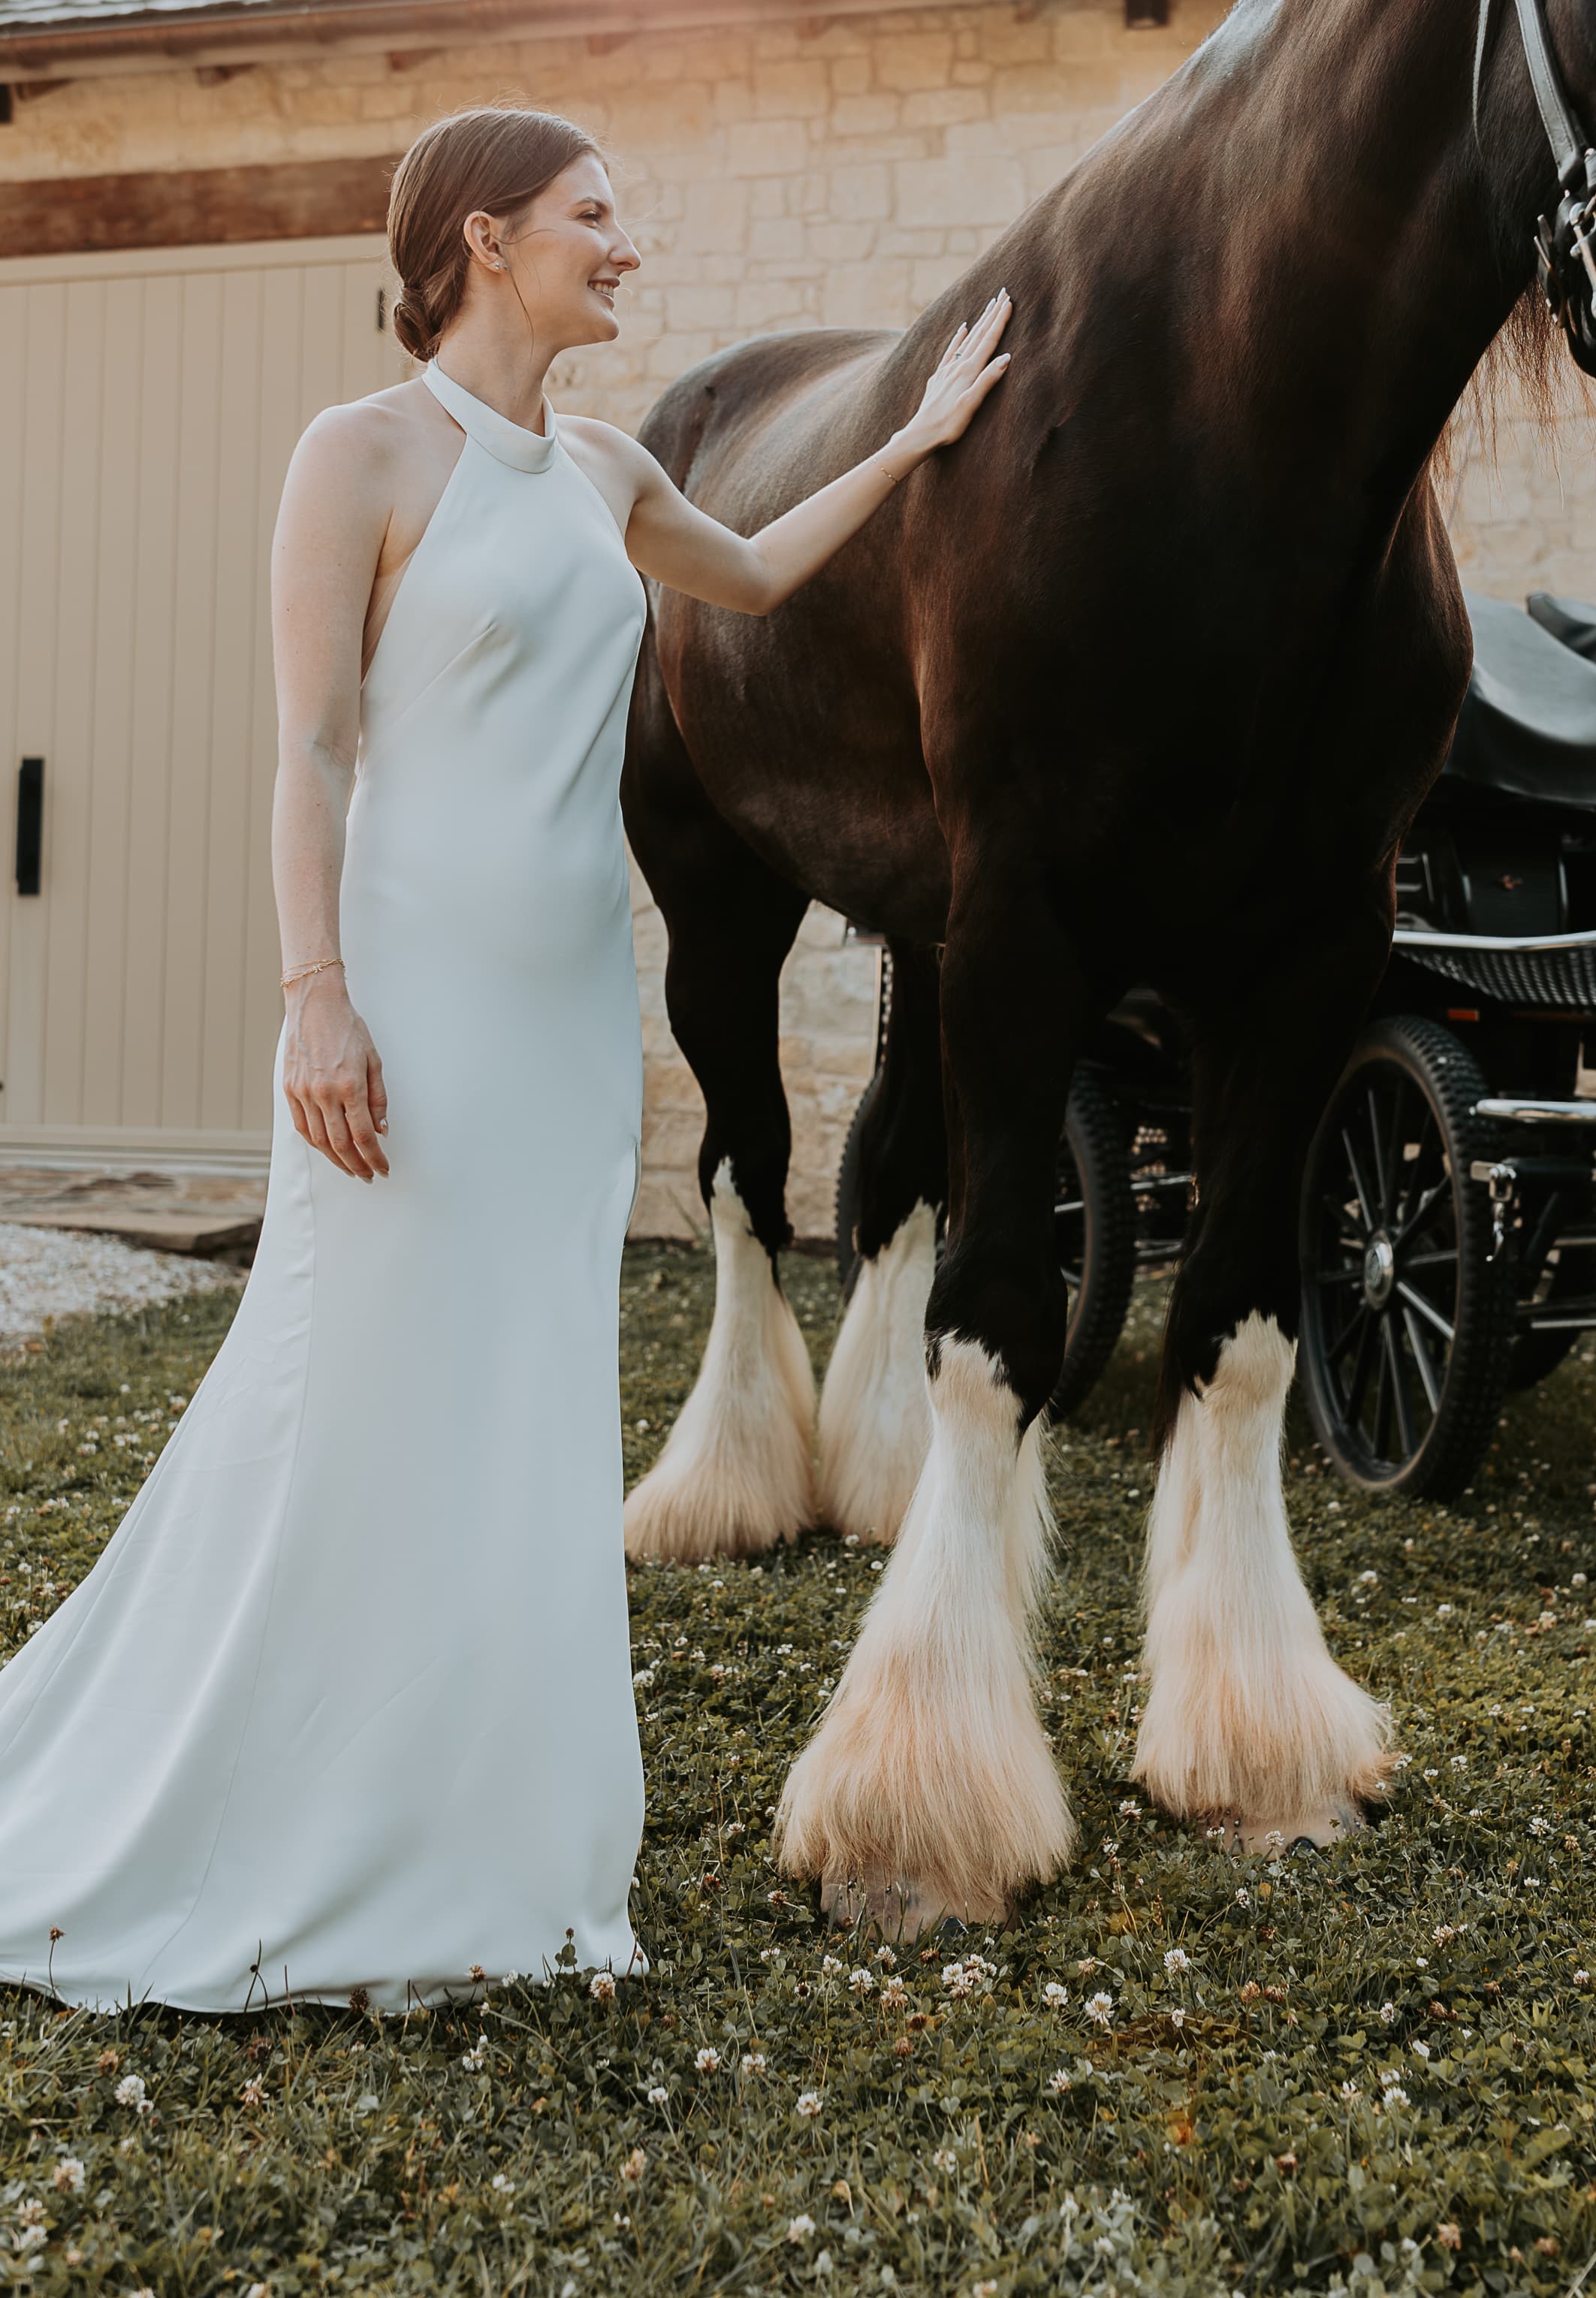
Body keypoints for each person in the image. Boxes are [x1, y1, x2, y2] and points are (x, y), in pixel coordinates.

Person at [0, 105, 1011, 2013]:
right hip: (399, 996)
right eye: (593, 216)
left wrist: (917, 433)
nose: (626, 246)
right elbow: (305, 752)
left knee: (527, 1398)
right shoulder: (358, 454)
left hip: (560, 1013)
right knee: (361, 1388)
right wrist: (315, 993)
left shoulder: (610, 470)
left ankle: (497, 1827)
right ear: (484, 239)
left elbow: (768, 573)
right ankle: (289, 1802)